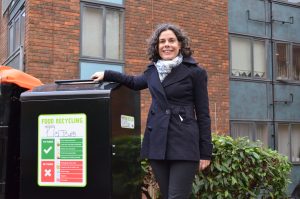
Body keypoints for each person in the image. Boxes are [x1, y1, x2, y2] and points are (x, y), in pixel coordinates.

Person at [91, 23, 212, 199]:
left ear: (180, 44)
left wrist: (205, 152)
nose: (167, 44)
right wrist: (108, 74)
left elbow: (203, 114)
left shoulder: (195, 72)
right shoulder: (152, 71)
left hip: (184, 143)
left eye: (171, 40)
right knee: (167, 194)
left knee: (177, 196)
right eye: (162, 41)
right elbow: (133, 82)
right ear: (157, 46)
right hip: (157, 142)